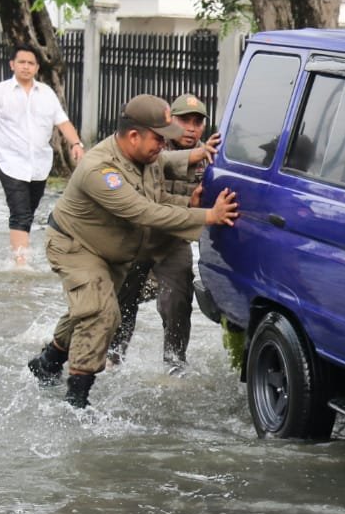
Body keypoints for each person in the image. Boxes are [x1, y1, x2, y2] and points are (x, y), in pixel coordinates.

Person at [26, 94, 238, 409]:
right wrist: (208, 216)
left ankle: (49, 360)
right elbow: (145, 212)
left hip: (110, 248)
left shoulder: (148, 157)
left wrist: (195, 156)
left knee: (89, 307)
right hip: (76, 245)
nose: (163, 146)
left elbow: (165, 162)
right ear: (134, 136)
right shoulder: (101, 169)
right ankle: (76, 402)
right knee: (102, 314)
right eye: (159, 138)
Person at [108, 93, 221, 373]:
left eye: (198, 121)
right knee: (125, 296)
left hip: (173, 241)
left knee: (178, 297)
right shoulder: (152, 147)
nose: (191, 128)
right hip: (138, 237)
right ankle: (114, 355)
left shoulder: (211, 158)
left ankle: (174, 361)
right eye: (185, 120)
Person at [0, 44, 85, 266]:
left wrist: (76, 143)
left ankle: (16, 251)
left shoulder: (46, 93)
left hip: (40, 165)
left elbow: (62, 121)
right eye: (21, 62)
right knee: (20, 212)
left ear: (36, 68)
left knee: (29, 212)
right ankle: (21, 265)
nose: (26, 67)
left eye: (31, 63)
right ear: (12, 64)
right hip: (10, 163)